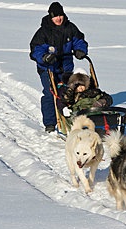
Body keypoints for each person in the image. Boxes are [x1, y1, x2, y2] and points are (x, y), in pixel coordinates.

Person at [29, 2, 88, 133]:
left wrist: (80, 50)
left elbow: (79, 40)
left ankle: (71, 121)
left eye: (60, 15)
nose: (59, 19)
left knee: (70, 92)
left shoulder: (70, 28)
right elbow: (35, 49)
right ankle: (50, 123)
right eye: (56, 16)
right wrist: (44, 57)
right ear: (51, 17)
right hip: (48, 68)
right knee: (50, 93)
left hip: (65, 68)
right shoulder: (43, 31)